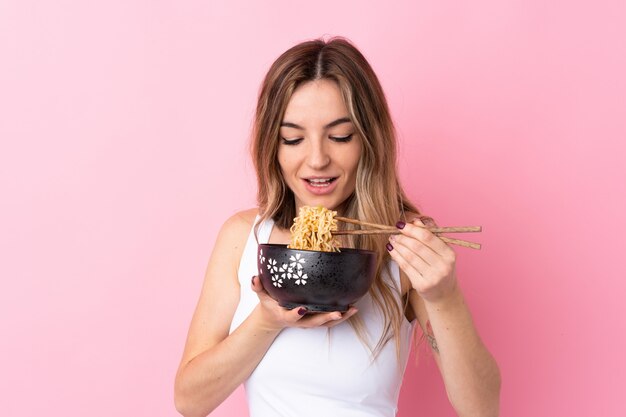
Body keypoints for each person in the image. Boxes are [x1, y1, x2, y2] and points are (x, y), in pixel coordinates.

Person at [174, 36, 501, 417]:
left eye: (340, 136)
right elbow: (190, 401)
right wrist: (266, 321)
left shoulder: (403, 241)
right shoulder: (244, 237)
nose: (316, 159)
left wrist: (446, 297)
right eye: (292, 138)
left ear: (368, 140)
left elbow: (482, 409)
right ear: (272, 147)